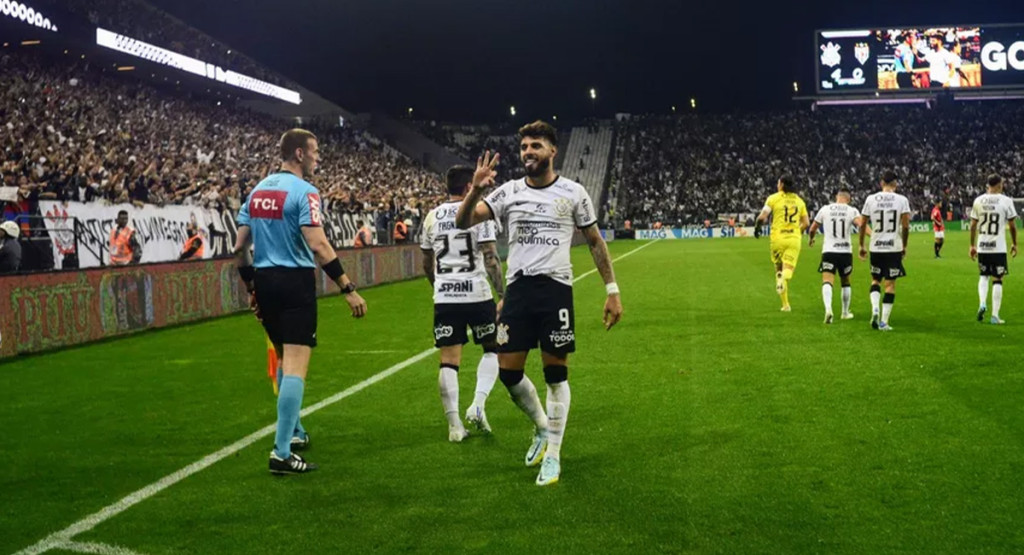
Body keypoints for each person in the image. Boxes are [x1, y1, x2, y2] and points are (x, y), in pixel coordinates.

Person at [455, 120, 623, 486]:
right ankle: (543, 428)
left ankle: (555, 456)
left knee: (555, 372)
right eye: (524, 147)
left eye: (535, 146)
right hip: (518, 292)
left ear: (552, 151)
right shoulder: (509, 192)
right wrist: (474, 190)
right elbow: (463, 221)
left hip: (555, 291)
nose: (528, 152)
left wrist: (612, 290)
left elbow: (595, 241)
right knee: (508, 371)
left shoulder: (574, 192)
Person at [233, 128, 368, 475]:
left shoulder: (257, 191)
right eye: (314, 151)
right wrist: (347, 287)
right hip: (294, 282)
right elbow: (318, 245)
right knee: (296, 364)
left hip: (264, 280)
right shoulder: (306, 192)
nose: (317, 157)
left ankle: (293, 430)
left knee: (282, 356)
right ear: (298, 153)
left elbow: (239, 247)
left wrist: (250, 286)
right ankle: (281, 452)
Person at [420, 165, 505, 442]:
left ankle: (455, 426)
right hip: (477, 293)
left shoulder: (431, 216)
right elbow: (491, 257)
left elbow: (425, 263)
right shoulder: (479, 213)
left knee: (448, 361)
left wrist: (440, 287)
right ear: (470, 186)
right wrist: (502, 294)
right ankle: (477, 405)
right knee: (494, 350)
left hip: (445, 297)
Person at [858, 170, 911, 331]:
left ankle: (875, 308)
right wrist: (904, 245)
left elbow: (862, 224)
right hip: (893, 247)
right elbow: (906, 226)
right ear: (895, 184)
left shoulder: (870, 199)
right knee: (890, 285)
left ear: (881, 183)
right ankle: (884, 321)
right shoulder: (902, 200)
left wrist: (861, 244)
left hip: (876, 246)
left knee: (875, 280)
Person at [969, 174, 1018, 325]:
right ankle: (995, 316)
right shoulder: (1006, 201)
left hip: (983, 246)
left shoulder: (978, 200)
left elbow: (973, 226)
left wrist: (972, 245)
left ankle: (982, 303)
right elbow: (1012, 225)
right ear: (998, 185)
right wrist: (1014, 243)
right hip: (998, 247)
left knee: (983, 276)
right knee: (998, 279)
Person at [755, 176, 809, 312]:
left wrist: (757, 227)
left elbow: (762, 216)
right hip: (793, 239)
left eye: (778, 182)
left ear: (782, 184)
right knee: (788, 270)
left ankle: (786, 305)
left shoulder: (773, 198)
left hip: (777, 239)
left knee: (778, 270)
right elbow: (806, 223)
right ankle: (783, 279)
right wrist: (798, 231)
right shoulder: (799, 201)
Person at [808, 188, 861, 323]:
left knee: (827, 281)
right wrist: (872, 235)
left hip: (829, 251)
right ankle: (844, 312)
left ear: (837, 197)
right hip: (845, 252)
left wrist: (811, 238)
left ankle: (828, 309)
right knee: (845, 282)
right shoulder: (851, 210)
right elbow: (861, 224)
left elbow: (813, 228)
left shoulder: (825, 209)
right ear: (848, 199)